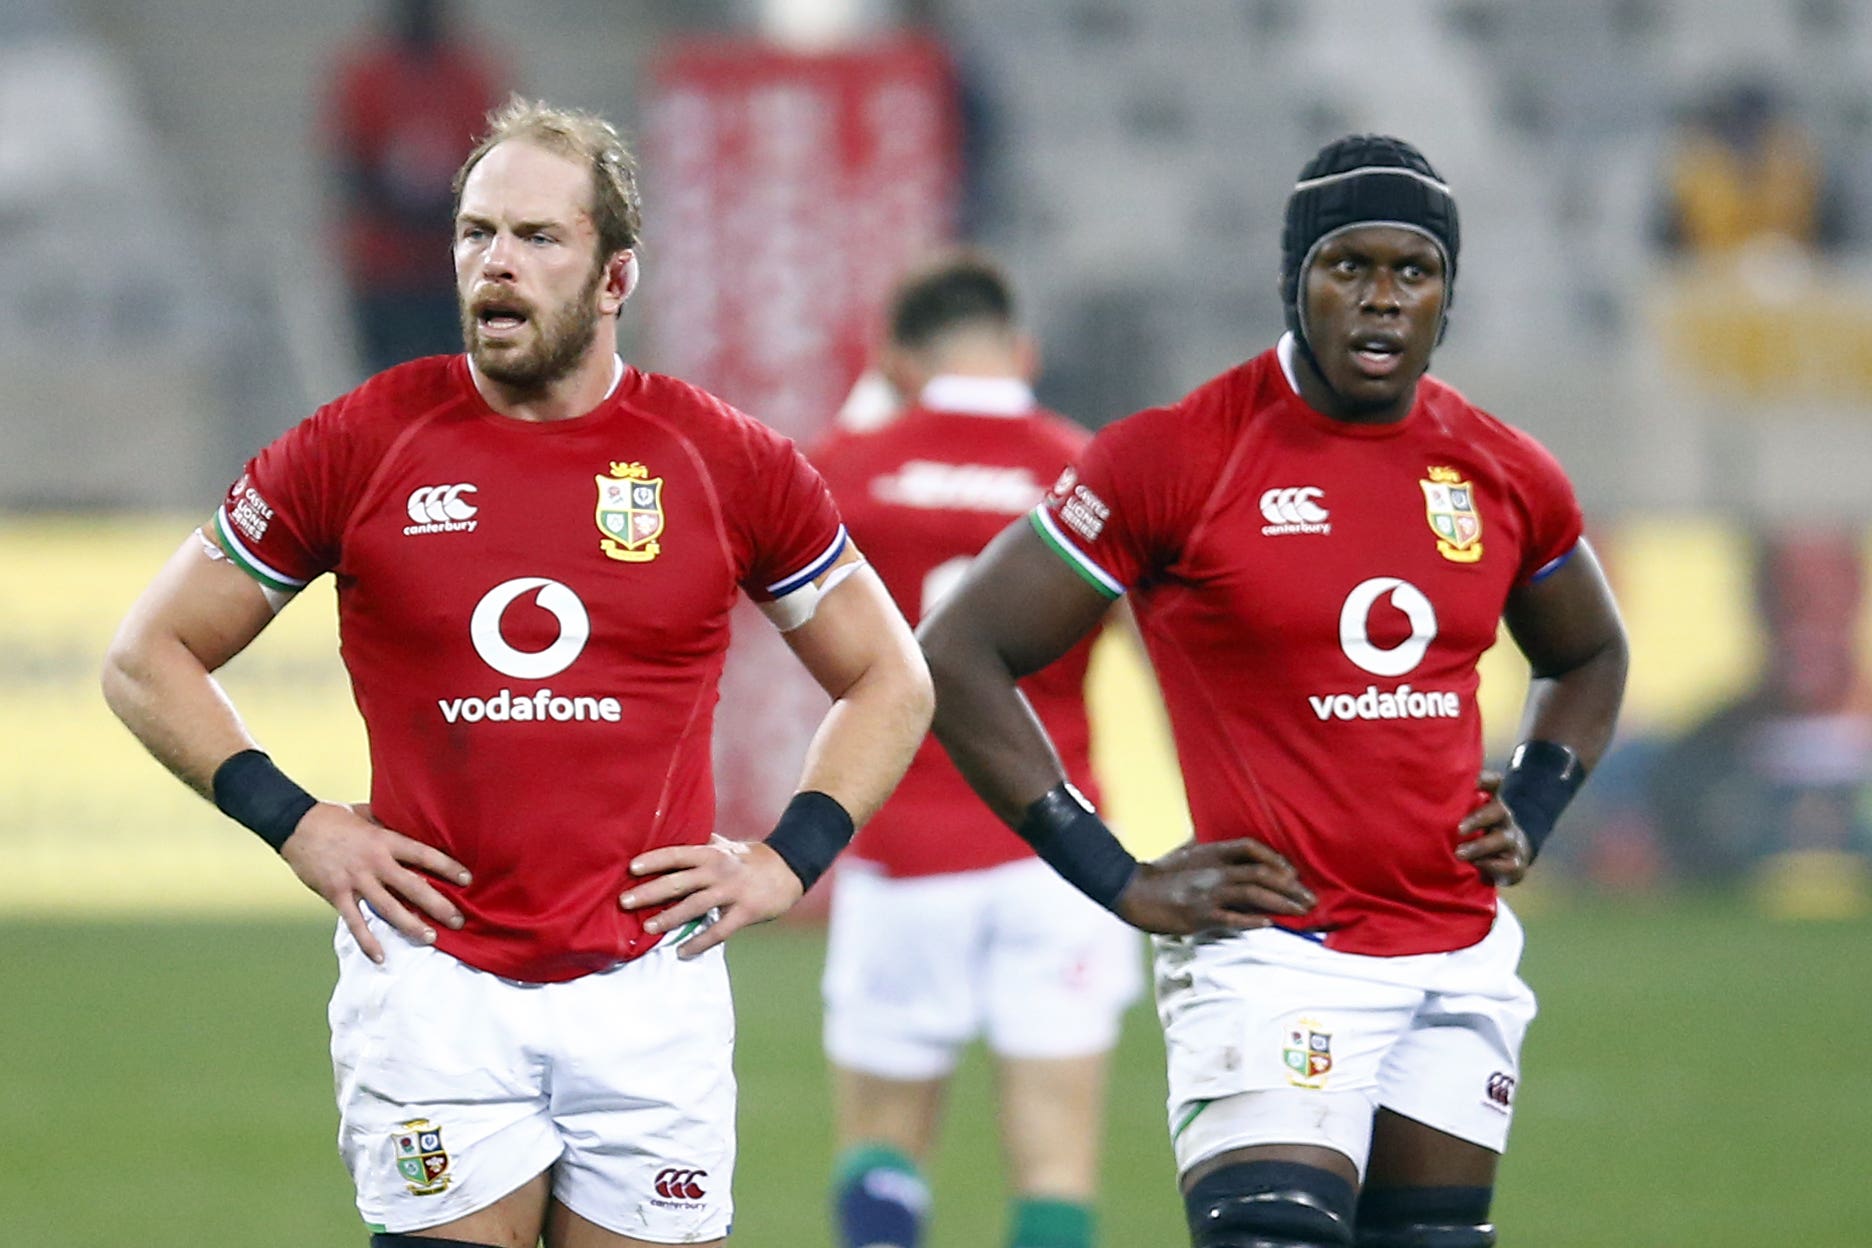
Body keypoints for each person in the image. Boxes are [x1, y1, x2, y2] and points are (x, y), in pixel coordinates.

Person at [101, 96, 942, 1248]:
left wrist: (789, 860)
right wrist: (296, 823)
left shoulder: (724, 463)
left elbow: (890, 678)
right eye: (476, 232)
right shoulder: (362, 442)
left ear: (615, 278)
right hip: (433, 986)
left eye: (538, 238)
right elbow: (147, 655)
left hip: (649, 990)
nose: (496, 263)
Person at [918, 135, 1629, 1248]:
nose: (1383, 300)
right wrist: (1118, 877)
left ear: (1449, 293)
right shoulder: (1176, 457)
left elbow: (1588, 656)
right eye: (1349, 266)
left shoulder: (1502, 469)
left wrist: (1534, 803)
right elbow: (959, 655)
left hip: (1455, 953)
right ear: (1295, 279)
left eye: (1414, 271)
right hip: (1273, 954)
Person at [808, 253, 1142, 1248]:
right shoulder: (1087, 474)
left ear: (898, 363)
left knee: (881, 1147)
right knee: (1056, 1158)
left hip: (901, 844)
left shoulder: (846, 469)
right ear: (1022, 351)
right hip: (1059, 848)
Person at [326, 0, 506, 374]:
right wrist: (405, 208)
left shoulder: (469, 76)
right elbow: (351, 167)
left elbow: (493, 165)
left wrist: (447, 211)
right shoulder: (368, 77)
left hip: (453, 272)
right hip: (384, 269)